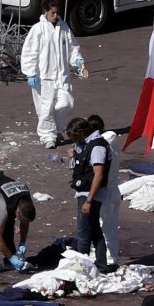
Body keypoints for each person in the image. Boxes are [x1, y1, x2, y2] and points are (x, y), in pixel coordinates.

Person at [20, 0, 85, 149]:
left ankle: (55, 129)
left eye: (57, 13)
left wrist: (77, 60)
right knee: (45, 108)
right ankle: (48, 136)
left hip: (62, 76)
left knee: (66, 102)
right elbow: (29, 52)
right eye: (53, 13)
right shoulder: (38, 29)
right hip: (43, 77)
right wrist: (30, 73)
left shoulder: (64, 28)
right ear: (45, 12)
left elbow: (72, 48)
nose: (55, 16)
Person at [67, 116, 110, 272]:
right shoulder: (85, 145)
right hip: (86, 192)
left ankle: (81, 268)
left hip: (89, 194)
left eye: (74, 136)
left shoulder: (97, 147)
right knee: (93, 229)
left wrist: (89, 200)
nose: (72, 140)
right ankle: (101, 265)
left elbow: (98, 175)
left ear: (82, 132)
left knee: (83, 232)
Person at [87, 114, 120, 270]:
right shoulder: (112, 144)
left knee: (100, 226)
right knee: (111, 225)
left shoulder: (99, 147)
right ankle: (112, 257)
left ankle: (104, 259)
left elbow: (97, 173)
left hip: (103, 193)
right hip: (114, 191)